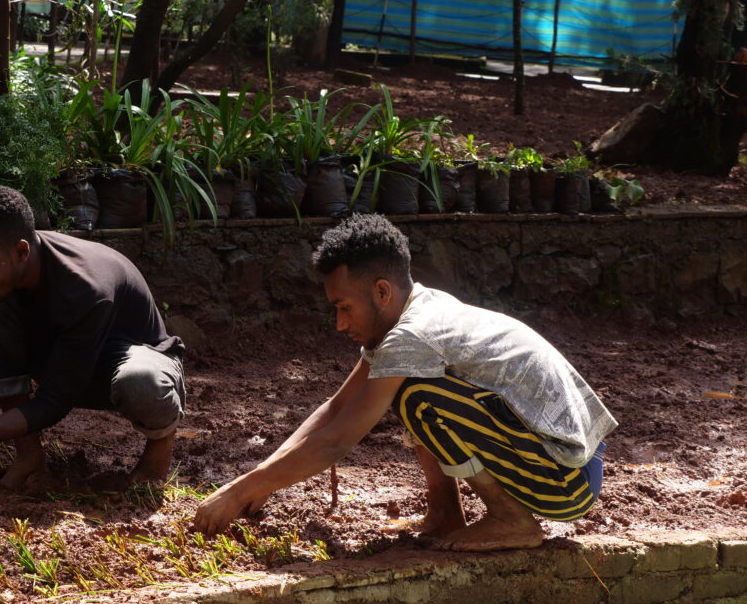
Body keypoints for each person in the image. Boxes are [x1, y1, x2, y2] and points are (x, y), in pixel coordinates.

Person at [193, 214, 616, 551]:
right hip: (564, 463)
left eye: (344, 307)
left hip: (567, 478)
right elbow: (335, 409)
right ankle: (445, 513)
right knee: (410, 391)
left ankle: (510, 519)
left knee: (417, 397)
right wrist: (258, 479)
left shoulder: (411, 336)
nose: (339, 324)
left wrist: (238, 492)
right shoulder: (419, 312)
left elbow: (336, 440)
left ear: (381, 291)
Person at [0, 185, 186, 499]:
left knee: (141, 382)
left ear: (21, 252)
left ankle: (159, 451)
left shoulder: (86, 288)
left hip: (131, 361)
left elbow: (54, 402)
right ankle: (29, 455)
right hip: (65, 357)